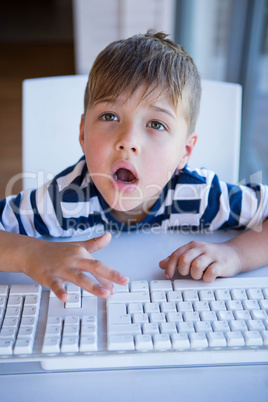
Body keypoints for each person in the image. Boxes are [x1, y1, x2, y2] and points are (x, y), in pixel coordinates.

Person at [0, 31, 267, 302]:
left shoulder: (199, 195)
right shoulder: (63, 200)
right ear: (83, 133)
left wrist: (236, 254)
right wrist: (30, 254)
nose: (128, 141)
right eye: (110, 116)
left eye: (156, 124)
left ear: (184, 152)